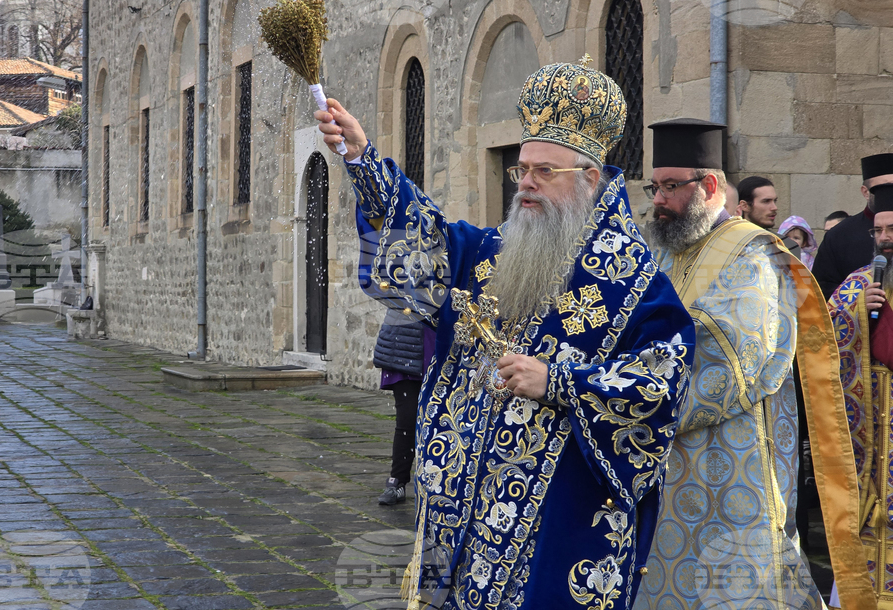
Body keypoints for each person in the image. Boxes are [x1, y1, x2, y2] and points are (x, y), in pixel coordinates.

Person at [316, 61, 696, 609]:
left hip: (555, 534)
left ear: (590, 178)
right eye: (522, 170)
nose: (526, 184)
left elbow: (661, 388)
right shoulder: (493, 252)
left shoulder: (639, 286)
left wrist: (560, 383)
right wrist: (362, 159)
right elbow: (428, 244)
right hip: (461, 520)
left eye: (544, 171)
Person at [633, 119, 869, 609]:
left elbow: (733, 359)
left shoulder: (754, 255)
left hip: (734, 478)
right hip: (664, 471)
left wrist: (626, 390)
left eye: (671, 187)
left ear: (710, 186)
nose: (658, 199)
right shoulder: (664, 249)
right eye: (654, 187)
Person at [827, 183, 893, 608]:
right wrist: (855, 312)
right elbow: (822, 336)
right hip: (869, 422)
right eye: (880, 231)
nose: (885, 237)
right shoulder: (859, 283)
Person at [372, 308, 436, 505]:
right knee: (407, 419)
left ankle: (438, 483)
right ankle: (397, 482)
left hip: (442, 343)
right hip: (405, 343)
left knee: (444, 419)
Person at [814, 153, 893, 298]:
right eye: (882, 187)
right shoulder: (838, 236)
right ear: (865, 192)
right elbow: (821, 290)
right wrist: (859, 303)